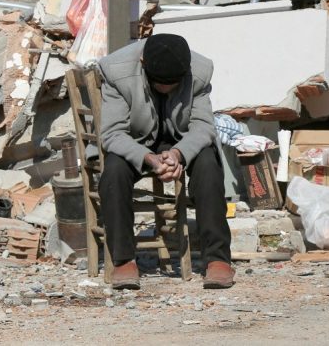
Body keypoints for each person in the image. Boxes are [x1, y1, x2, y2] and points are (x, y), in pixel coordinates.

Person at [97, 33, 234, 290]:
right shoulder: (116, 71)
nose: (166, 88)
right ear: (142, 62)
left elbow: (203, 127)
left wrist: (178, 154)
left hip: (180, 139)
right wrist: (148, 158)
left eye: (173, 83)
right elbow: (113, 133)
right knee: (114, 171)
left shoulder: (200, 71)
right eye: (159, 82)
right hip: (137, 140)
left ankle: (217, 259)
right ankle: (124, 260)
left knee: (208, 164)